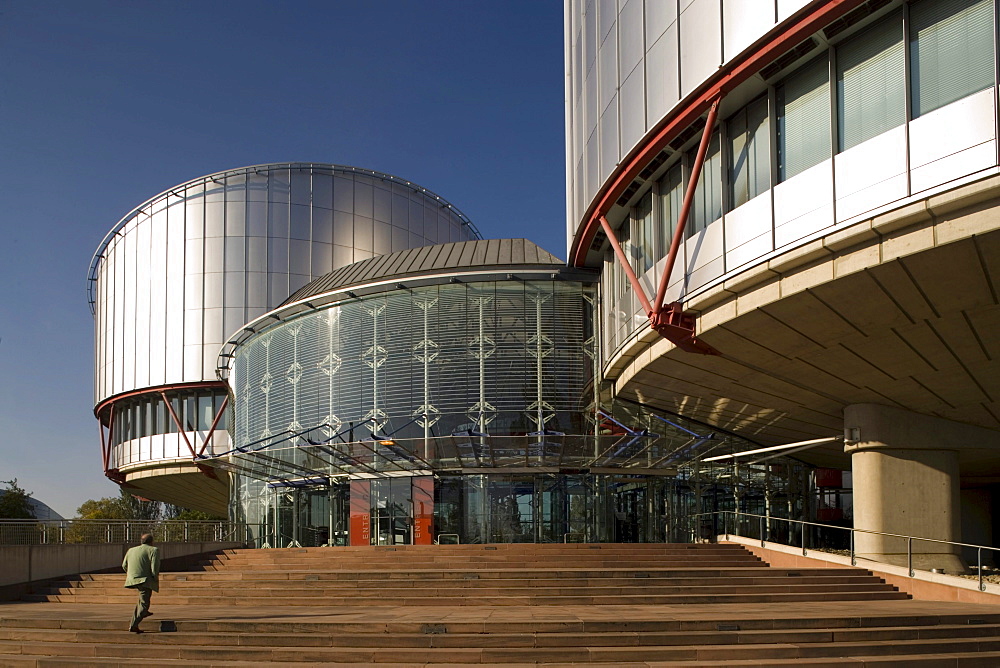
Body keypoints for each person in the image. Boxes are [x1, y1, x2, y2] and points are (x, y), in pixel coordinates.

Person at [122, 533, 160, 633]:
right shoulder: (153, 550)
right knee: (144, 602)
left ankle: (144, 612)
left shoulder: (131, 550)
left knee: (142, 600)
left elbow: (124, 565)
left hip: (132, 578)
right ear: (151, 542)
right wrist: (155, 577)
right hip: (145, 579)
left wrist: (132, 574)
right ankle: (133, 625)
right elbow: (155, 567)